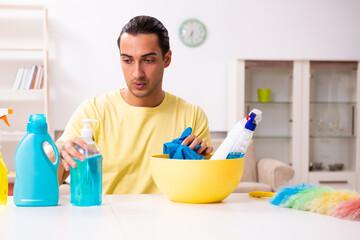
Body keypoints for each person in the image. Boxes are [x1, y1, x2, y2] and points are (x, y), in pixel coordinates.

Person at [55, 15, 213, 194]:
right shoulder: (93, 112)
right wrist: (58, 150)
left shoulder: (192, 115)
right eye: (128, 60)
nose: (137, 73)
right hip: (107, 219)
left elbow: (203, 189)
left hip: (170, 219)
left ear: (167, 59)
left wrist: (198, 164)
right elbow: (52, 179)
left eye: (148, 60)